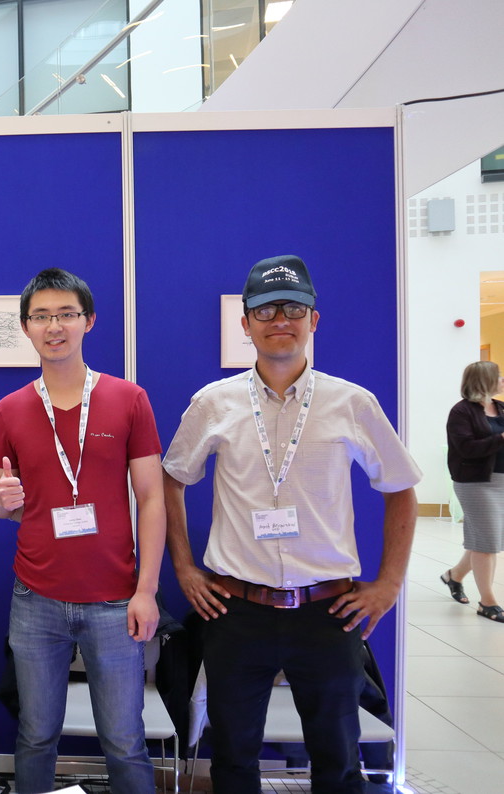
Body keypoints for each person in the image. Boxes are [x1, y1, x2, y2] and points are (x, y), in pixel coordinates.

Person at [162, 254, 421, 794]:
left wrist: (389, 584)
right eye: (265, 310)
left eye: (293, 309)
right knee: (233, 759)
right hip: (236, 611)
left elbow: (400, 487)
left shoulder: (353, 403)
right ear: (246, 323)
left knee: (338, 760)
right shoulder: (213, 403)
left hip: (329, 612)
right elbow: (172, 480)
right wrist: (184, 567)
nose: (280, 320)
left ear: (313, 320)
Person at [0, 268, 165, 794]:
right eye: (41, 316)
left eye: (66, 314)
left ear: (89, 320)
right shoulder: (11, 409)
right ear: (26, 327)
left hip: (115, 599)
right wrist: (2, 500)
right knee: (36, 735)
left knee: (124, 740)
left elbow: (152, 498)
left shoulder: (129, 398)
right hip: (36, 599)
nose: (54, 326)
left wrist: (147, 591)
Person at [442, 360, 504, 622]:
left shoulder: (500, 407)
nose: (502, 380)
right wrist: (500, 439)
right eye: (498, 376)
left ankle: (454, 576)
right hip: (475, 483)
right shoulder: (462, 411)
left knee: (486, 539)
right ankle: (487, 602)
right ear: (484, 380)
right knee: (487, 543)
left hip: (500, 481)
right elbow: (466, 448)